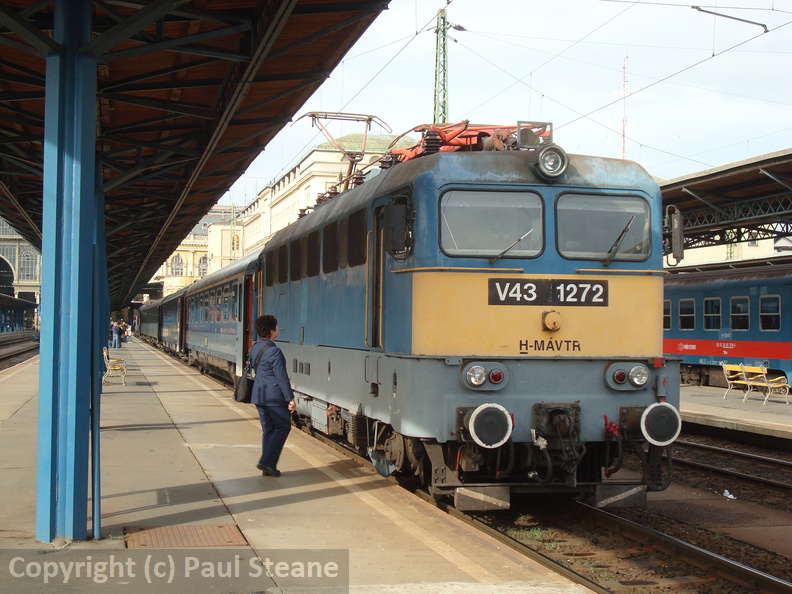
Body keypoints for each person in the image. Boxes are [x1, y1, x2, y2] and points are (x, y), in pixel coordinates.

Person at [250, 315, 295, 477]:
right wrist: (290, 398)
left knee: (268, 429)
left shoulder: (255, 347)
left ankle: (268, 466)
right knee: (283, 426)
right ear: (271, 331)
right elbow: (281, 377)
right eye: (276, 327)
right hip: (274, 396)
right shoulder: (274, 351)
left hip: (259, 395)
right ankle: (267, 462)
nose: (278, 329)